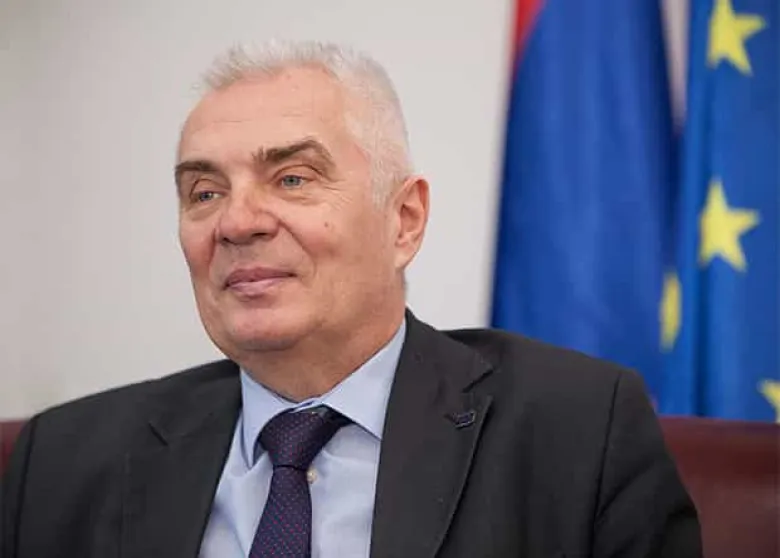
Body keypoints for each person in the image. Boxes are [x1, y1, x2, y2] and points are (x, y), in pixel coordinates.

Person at [1, 40, 701, 558]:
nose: (236, 222)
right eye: (204, 192)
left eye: (293, 179)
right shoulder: (62, 463)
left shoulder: (576, 430)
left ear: (404, 221)